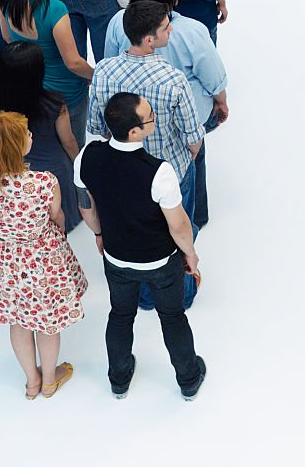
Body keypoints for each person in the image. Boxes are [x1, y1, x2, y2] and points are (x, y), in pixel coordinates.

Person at [76, 92, 206, 401]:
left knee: (120, 314)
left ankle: (119, 379)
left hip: (116, 257)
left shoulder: (87, 155)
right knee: (172, 316)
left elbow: (86, 206)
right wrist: (190, 254)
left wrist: (98, 234)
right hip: (160, 261)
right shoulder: (159, 172)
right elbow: (179, 225)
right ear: (134, 132)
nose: (155, 119)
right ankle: (188, 378)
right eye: (150, 117)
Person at [89, 0, 205, 308]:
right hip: (170, 170)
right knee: (177, 232)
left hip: (122, 174)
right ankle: (182, 292)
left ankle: (143, 297)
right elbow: (194, 137)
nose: (171, 29)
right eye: (166, 27)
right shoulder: (173, 79)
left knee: (133, 235)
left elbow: (95, 125)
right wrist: (190, 155)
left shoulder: (102, 71)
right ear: (150, 39)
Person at [0, 111, 88, 400]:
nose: (32, 136)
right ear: (17, 145)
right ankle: (49, 379)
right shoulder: (43, 182)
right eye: (27, 135)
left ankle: (31, 381)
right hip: (40, 256)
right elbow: (57, 216)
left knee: (18, 320)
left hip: (2, 257)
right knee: (46, 321)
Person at [105, 0, 229, 228]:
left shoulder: (119, 22)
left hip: (131, 122)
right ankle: (194, 217)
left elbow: (109, 59)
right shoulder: (192, 32)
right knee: (193, 164)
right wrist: (221, 100)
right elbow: (212, 74)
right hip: (185, 122)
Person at [0, 0, 93, 150]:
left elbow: (7, 38)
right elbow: (73, 63)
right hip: (66, 90)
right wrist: (95, 75)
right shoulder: (54, 9)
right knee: (73, 145)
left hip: (29, 85)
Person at [0, 42, 82, 233]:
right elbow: (69, 142)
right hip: (54, 171)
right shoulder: (55, 104)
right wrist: (78, 164)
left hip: (12, 171)